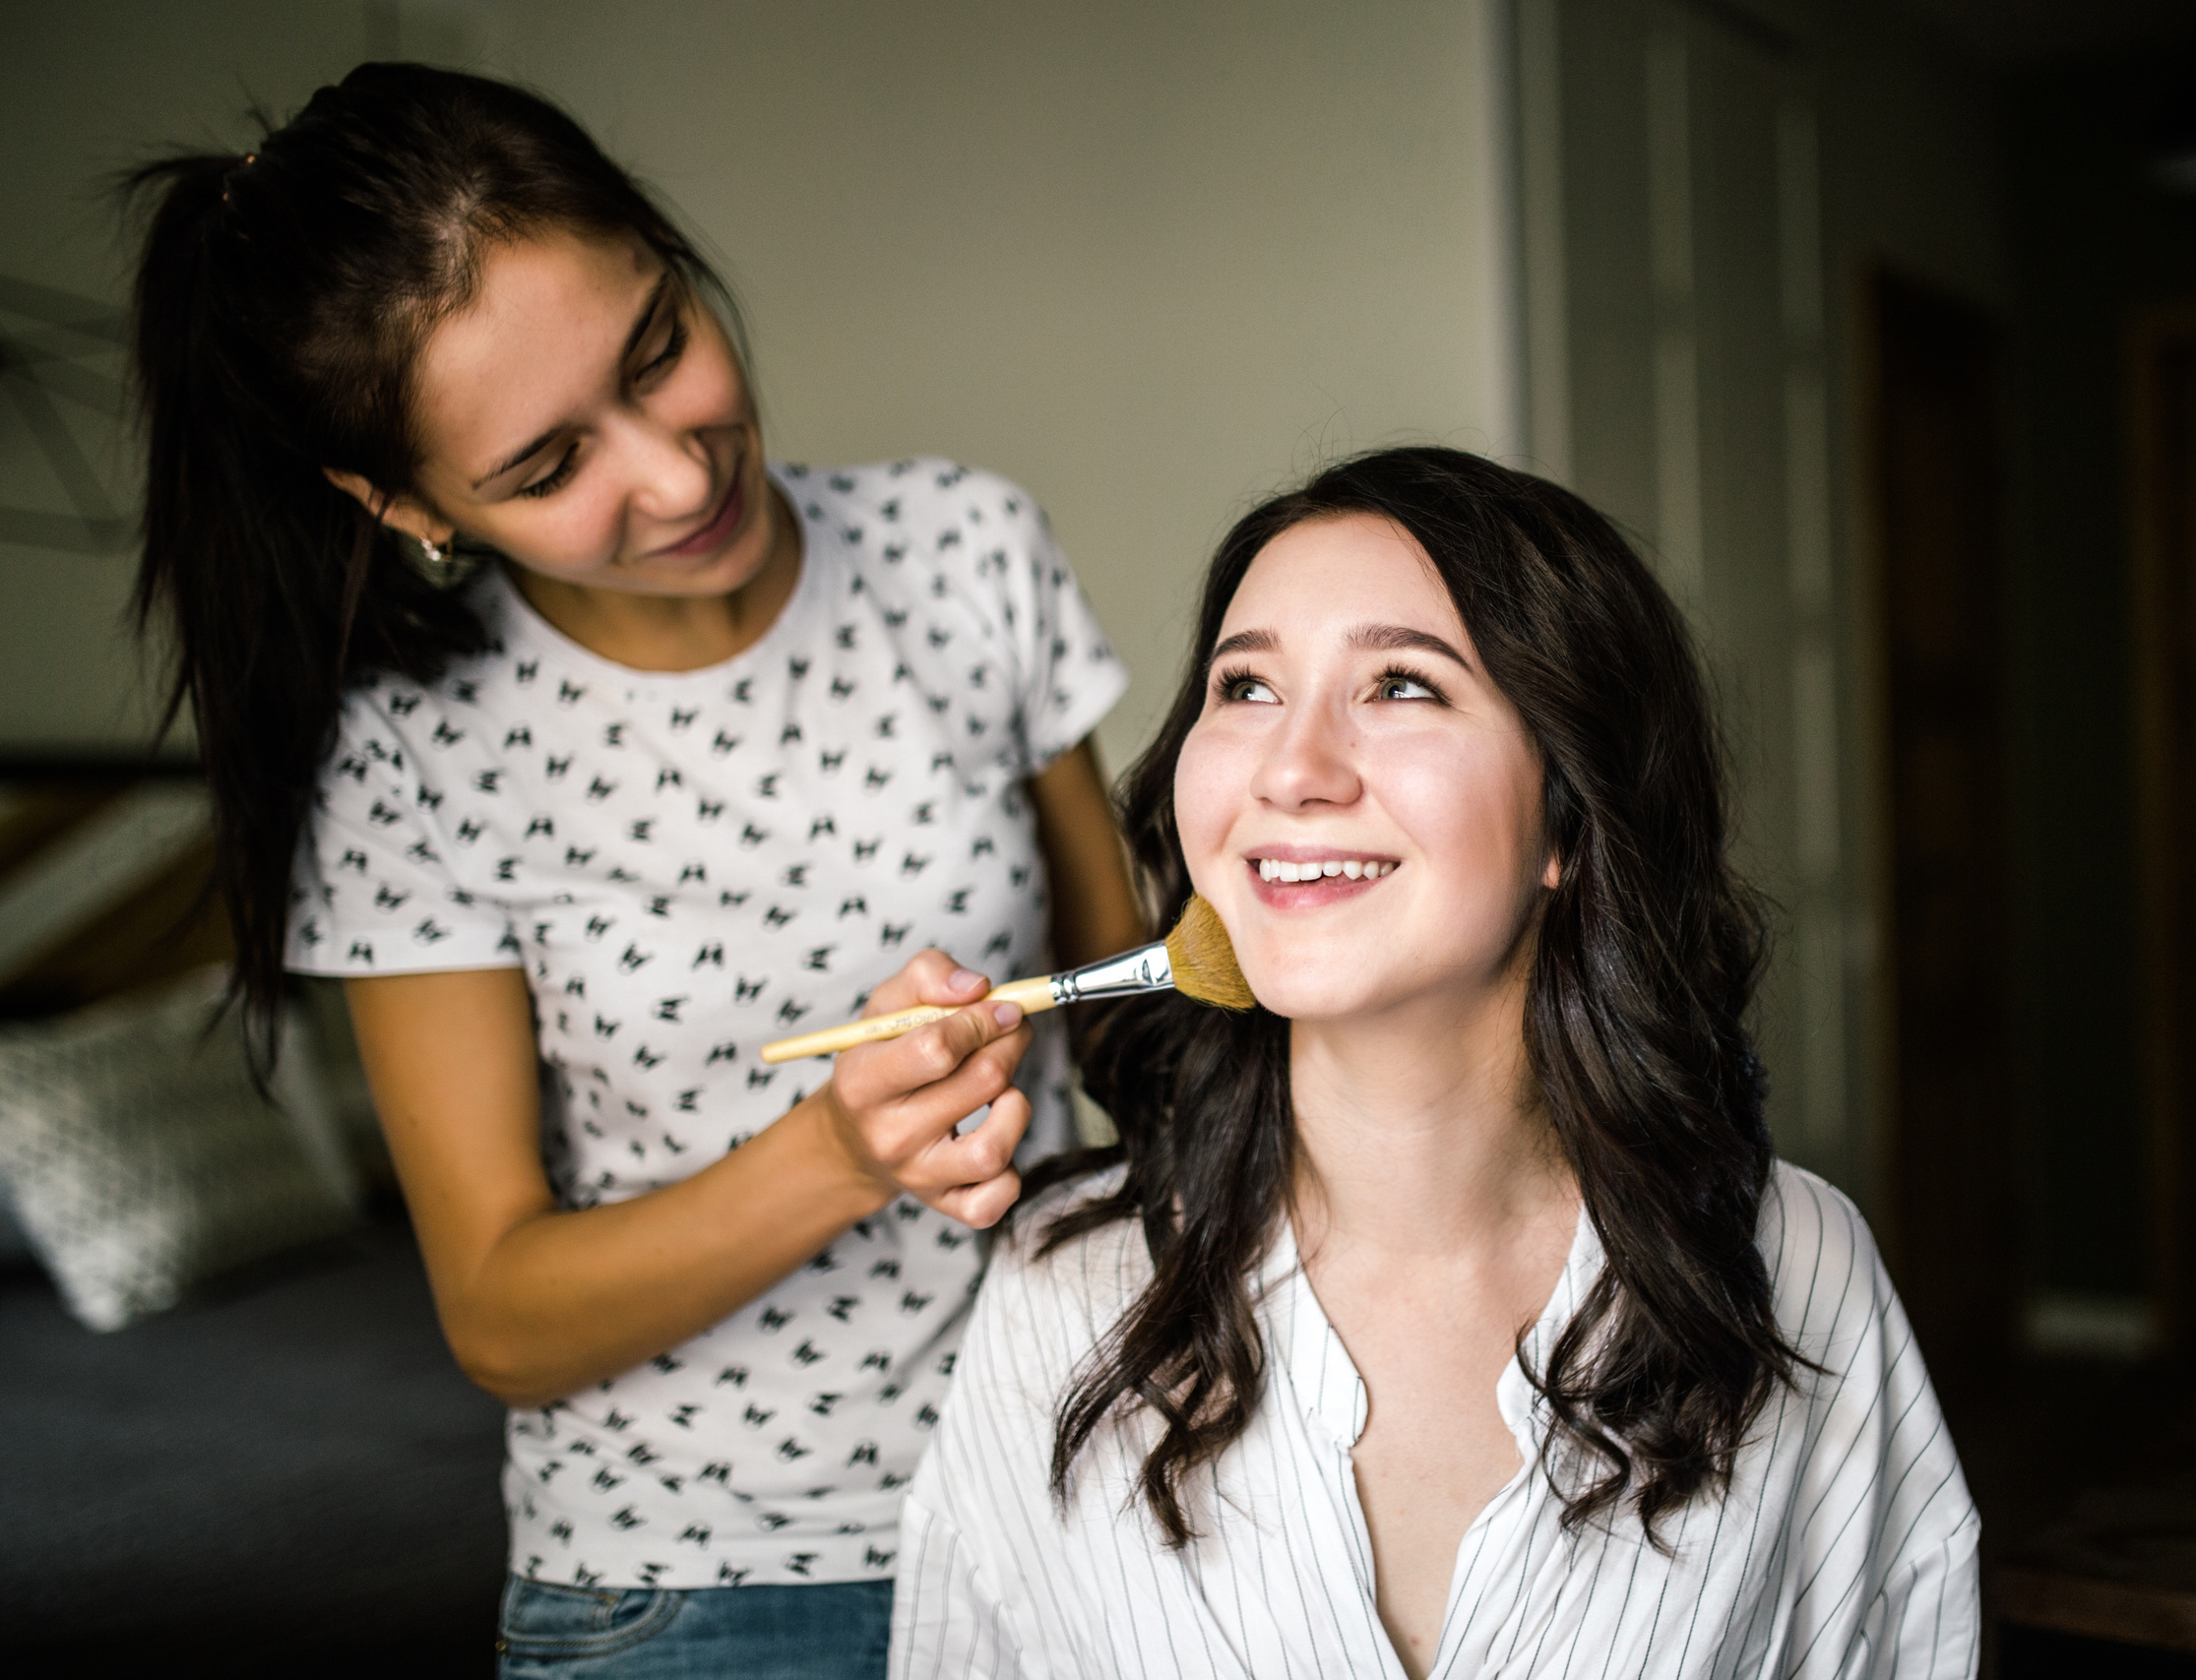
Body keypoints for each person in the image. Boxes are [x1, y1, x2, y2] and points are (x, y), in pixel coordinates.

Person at [123, 63, 1143, 1678]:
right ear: (405, 504)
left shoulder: (965, 549)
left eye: (658, 349)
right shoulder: (415, 755)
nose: (674, 477)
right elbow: (501, 1312)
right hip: (699, 1589)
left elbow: (1148, 1022)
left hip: (1077, 1510)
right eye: (546, 468)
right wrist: (839, 1151)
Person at [890, 447, 1980, 1679]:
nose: (1291, 770)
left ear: (1568, 818)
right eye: (1244, 689)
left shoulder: (1800, 1268)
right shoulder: (1063, 1292)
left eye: (1400, 684)